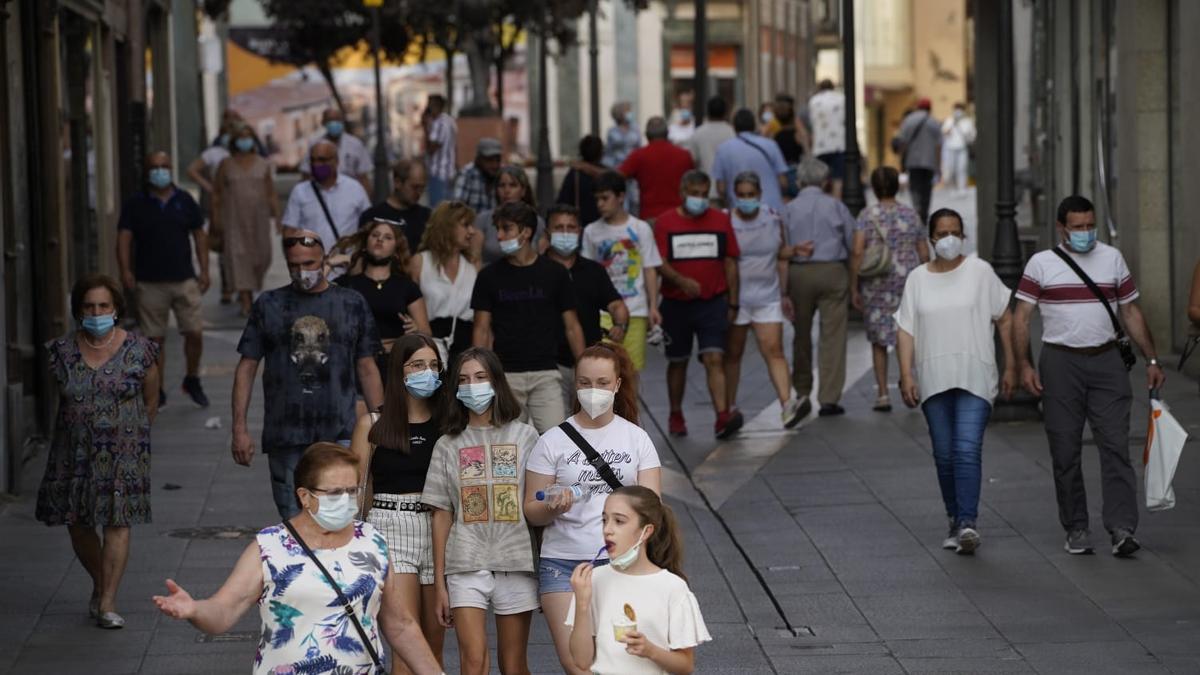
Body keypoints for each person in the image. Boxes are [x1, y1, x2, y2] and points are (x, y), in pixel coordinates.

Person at [153, 443, 442, 674]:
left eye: (352, 490)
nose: (345, 499)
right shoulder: (269, 547)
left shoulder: (372, 542)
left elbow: (400, 625)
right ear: (304, 496)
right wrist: (194, 610)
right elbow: (224, 610)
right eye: (334, 492)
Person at [1014, 195, 1166, 557]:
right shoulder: (1041, 263)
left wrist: (1153, 359)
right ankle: (1076, 527)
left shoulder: (1111, 258)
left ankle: (1122, 527)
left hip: (1107, 361)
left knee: (1115, 446)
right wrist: (1023, 364)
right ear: (1061, 228)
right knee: (1065, 450)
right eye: (1077, 227)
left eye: (1089, 226)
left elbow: (1129, 311)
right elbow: (1021, 317)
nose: (1085, 233)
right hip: (1060, 363)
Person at [525, 344, 662, 675]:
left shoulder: (637, 439)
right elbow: (531, 508)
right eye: (585, 383)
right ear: (575, 384)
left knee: (619, 660)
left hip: (621, 562)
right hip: (562, 563)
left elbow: (653, 506)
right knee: (577, 664)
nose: (593, 391)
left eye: (602, 383)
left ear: (617, 384)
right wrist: (552, 507)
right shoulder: (552, 441)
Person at [232, 230, 384, 518]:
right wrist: (239, 429)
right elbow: (247, 366)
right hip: (286, 434)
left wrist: (382, 426)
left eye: (310, 264)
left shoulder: (351, 303)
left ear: (324, 260)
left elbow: (367, 367)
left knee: (341, 516)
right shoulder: (270, 304)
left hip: (340, 431)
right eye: (294, 266)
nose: (303, 272)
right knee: (294, 519)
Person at [36, 276, 159, 629]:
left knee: (118, 522)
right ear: (78, 310)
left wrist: (134, 434)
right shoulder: (60, 352)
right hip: (72, 453)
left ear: (116, 308)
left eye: (104, 306)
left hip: (124, 453)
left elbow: (151, 397)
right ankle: (101, 582)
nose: (97, 312)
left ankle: (107, 601)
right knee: (78, 524)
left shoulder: (140, 349)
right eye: (89, 306)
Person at [895, 208, 1015, 555]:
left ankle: (967, 522)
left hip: (975, 374)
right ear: (931, 238)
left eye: (955, 232)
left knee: (965, 450)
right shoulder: (917, 279)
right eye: (942, 232)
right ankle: (954, 517)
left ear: (964, 236)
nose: (948, 238)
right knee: (944, 455)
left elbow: (1004, 319)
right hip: (933, 377)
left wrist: (1010, 365)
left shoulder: (980, 272)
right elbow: (905, 329)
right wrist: (905, 375)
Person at [422, 347, 541, 675]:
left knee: (514, 665)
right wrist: (439, 583)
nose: (472, 386)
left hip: (516, 562)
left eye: (480, 377)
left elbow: (536, 502)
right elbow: (441, 513)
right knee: (472, 663)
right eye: (463, 380)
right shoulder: (447, 443)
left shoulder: (526, 436)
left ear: (497, 381)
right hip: (465, 562)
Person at [349, 335, 448, 674]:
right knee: (406, 646)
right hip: (390, 526)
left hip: (440, 528)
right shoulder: (372, 425)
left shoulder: (449, 424)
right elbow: (357, 492)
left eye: (434, 365)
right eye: (418, 365)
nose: (427, 372)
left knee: (434, 646)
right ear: (399, 371)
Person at [567, 486, 711, 675]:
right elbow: (581, 661)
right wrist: (582, 603)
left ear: (646, 531)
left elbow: (685, 666)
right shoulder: (594, 580)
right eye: (604, 520)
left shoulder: (672, 587)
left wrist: (650, 650)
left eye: (619, 521)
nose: (607, 530)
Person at [471, 201, 585, 433]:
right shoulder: (488, 276)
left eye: (507, 229)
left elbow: (572, 326)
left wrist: (584, 368)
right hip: (505, 374)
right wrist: (478, 374)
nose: (500, 236)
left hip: (546, 372)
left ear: (526, 231)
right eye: (498, 229)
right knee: (508, 448)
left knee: (557, 440)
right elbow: (481, 329)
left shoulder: (555, 273)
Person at [116, 151, 210, 408]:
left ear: (171, 168)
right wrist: (125, 270)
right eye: (155, 167)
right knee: (154, 340)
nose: (160, 171)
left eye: (165, 166)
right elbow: (124, 237)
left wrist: (204, 270)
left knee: (195, 333)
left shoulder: (185, 200)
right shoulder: (135, 204)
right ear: (146, 172)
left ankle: (192, 378)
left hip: (184, 279)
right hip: (149, 282)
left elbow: (200, 235)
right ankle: (157, 389)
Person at [654, 170, 742, 439]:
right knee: (678, 361)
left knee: (714, 358)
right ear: (682, 193)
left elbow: (730, 261)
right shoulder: (665, 223)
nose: (700, 200)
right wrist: (681, 281)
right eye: (695, 194)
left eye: (705, 195)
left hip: (712, 302)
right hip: (676, 303)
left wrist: (733, 302)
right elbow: (658, 263)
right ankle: (676, 413)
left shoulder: (720, 220)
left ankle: (722, 416)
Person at [723, 172, 808, 429]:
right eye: (742, 195)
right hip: (736, 299)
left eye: (751, 195)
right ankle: (729, 408)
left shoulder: (772, 217)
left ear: (759, 194)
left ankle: (787, 404)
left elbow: (779, 253)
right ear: (735, 196)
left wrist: (785, 288)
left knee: (774, 351)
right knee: (733, 354)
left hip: (767, 296)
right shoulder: (726, 220)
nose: (747, 199)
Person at [849, 167, 929, 412]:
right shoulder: (910, 214)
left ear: (873, 188)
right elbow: (924, 250)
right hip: (908, 281)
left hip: (876, 283)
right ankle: (911, 384)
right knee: (909, 334)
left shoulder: (866, 215)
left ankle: (882, 394)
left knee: (878, 341)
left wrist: (854, 286)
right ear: (898, 185)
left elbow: (858, 250)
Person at [782, 158, 855, 417]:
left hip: (799, 273)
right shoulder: (836, 206)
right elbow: (851, 243)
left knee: (800, 334)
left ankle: (802, 391)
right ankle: (829, 398)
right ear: (824, 181)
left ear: (799, 181)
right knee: (832, 335)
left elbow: (783, 247)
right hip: (832, 270)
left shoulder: (787, 210)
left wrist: (783, 290)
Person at [546, 205, 630, 406]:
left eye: (571, 227)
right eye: (559, 228)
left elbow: (616, 304)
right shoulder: (537, 271)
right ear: (547, 232)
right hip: (549, 365)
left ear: (580, 231)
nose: (565, 233)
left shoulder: (593, 271)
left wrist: (620, 325)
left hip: (589, 365)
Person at [582, 171, 663, 372]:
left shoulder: (640, 228)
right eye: (597, 199)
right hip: (603, 313)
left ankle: (629, 405)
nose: (600, 204)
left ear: (621, 197)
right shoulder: (591, 231)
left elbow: (649, 268)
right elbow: (587, 271)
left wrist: (653, 306)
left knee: (631, 371)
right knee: (604, 370)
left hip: (635, 309)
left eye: (605, 198)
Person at [336, 219, 432, 385]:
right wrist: (329, 265)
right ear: (366, 243)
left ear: (396, 249)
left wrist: (416, 330)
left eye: (388, 237)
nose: (380, 239)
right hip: (355, 361)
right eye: (375, 235)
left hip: (394, 362)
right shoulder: (347, 284)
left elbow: (427, 333)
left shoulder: (406, 286)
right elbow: (314, 299)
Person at [212, 123, 280, 316]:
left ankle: (251, 288)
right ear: (235, 141)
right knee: (238, 257)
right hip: (233, 219)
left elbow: (271, 192)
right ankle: (246, 300)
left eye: (248, 136)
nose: (244, 140)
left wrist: (278, 217)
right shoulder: (226, 164)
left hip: (259, 218)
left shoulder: (263, 163)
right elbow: (216, 193)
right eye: (241, 136)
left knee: (262, 256)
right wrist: (216, 218)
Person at [411, 202, 480, 364]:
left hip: (466, 349)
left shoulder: (473, 266)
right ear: (447, 227)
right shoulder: (420, 262)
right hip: (429, 347)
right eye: (465, 225)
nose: (472, 231)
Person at [281, 140, 371, 262]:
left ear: (336, 161)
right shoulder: (300, 191)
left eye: (322, 160)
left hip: (347, 266)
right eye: (313, 160)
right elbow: (289, 231)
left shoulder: (354, 189)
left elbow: (368, 225)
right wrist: (294, 262)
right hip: (312, 267)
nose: (317, 165)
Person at [186, 122, 233, 303]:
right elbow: (191, 170)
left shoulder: (241, 155)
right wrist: (209, 187)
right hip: (219, 204)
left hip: (241, 206)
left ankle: (241, 285)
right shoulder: (214, 154)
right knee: (224, 245)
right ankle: (228, 286)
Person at [618, 117, 695, 223]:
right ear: (667, 133)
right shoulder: (684, 155)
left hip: (650, 217)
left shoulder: (639, 156)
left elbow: (617, 177)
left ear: (646, 135)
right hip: (678, 216)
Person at [712, 108, 790, 211]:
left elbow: (721, 188)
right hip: (771, 209)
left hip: (740, 211)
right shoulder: (771, 145)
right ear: (754, 125)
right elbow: (783, 181)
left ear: (734, 127)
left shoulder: (723, 149)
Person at [360, 158, 432, 254]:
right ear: (397, 182)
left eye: (422, 188)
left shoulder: (428, 217)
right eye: (415, 187)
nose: (419, 193)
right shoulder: (373, 216)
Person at [475, 165, 544, 265]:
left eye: (513, 185)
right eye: (502, 185)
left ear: (523, 190)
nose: (507, 191)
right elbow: (474, 258)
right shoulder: (482, 219)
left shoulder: (538, 222)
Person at [892, 98, 941, 226]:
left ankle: (917, 209)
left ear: (918, 107)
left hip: (912, 161)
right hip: (929, 161)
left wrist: (901, 159)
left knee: (915, 188)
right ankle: (924, 213)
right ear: (929, 108)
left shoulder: (909, 120)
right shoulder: (934, 122)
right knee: (927, 189)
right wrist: (939, 165)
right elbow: (938, 146)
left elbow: (902, 141)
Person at [299, 108, 373, 192]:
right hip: (323, 193)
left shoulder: (355, 144)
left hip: (350, 193)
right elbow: (306, 174)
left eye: (337, 119)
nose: (334, 123)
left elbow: (363, 177)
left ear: (342, 121)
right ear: (323, 122)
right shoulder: (315, 145)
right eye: (330, 120)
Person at [684, 96, 735, 201]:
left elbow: (693, 161)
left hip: (704, 190)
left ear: (707, 112)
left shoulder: (698, 133)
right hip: (729, 191)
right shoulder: (732, 133)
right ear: (726, 112)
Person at [807, 80, 847, 197]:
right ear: (833, 87)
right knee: (838, 179)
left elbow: (811, 123)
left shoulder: (813, 101)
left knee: (821, 178)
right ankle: (836, 202)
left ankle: (822, 202)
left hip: (820, 146)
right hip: (839, 145)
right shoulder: (841, 99)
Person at [556, 135, 606, 227]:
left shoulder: (575, 173)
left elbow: (562, 202)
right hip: (603, 224)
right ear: (601, 152)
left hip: (581, 225)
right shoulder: (607, 174)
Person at [451, 137, 503, 214]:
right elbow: (457, 208)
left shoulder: (502, 174)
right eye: (489, 160)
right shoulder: (468, 174)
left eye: (497, 160)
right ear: (479, 159)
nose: (494, 165)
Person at [771, 96, 809, 199]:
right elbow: (806, 148)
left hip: (782, 173)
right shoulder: (797, 135)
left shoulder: (776, 136)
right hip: (796, 172)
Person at [423, 94, 457, 207]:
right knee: (448, 210)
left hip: (438, 172)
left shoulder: (438, 124)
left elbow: (432, 148)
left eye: (430, 105)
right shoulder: (450, 121)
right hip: (449, 172)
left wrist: (426, 128)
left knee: (437, 211)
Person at [940, 102, 976, 192]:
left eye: (960, 109)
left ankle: (962, 188)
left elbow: (973, 136)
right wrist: (953, 124)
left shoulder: (967, 121)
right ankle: (952, 187)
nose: (958, 111)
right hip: (950, 148)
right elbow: (944, 132)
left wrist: (967, 136)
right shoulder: (950, 120)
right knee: (951, 169)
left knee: (962, 168)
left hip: (962, 148)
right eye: (956, 109)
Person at [603, 101, 641, 169]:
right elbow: (609, 152)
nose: (630, 113)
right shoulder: (612, 131)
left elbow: (639, 147)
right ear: (620, 114)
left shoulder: (635, 129)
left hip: (633, 166)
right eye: (627, 111)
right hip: (616, 167)